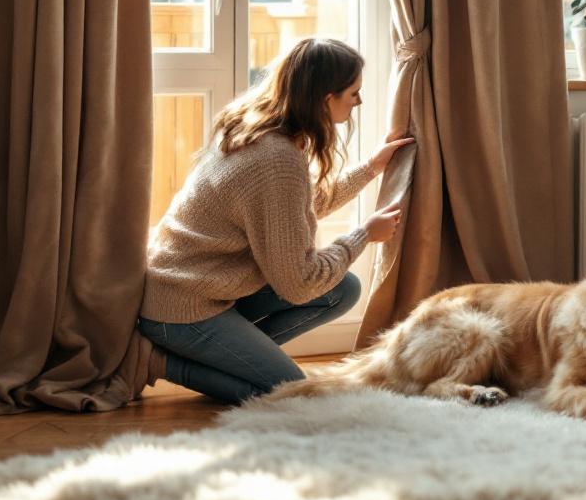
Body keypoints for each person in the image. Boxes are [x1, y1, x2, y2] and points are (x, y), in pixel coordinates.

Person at [137, 37, 412, 403]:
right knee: (292, 393)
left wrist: (372, 169)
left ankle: (232, 357)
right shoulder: (276, 159)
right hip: (182, 307)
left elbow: (292, 211)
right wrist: (362, 236)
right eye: (353, 93)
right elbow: (297, 284)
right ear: (324, 98)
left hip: (211, 287)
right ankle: (163, 363)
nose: (359, 102)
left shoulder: (257, 127)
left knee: (342, 289)